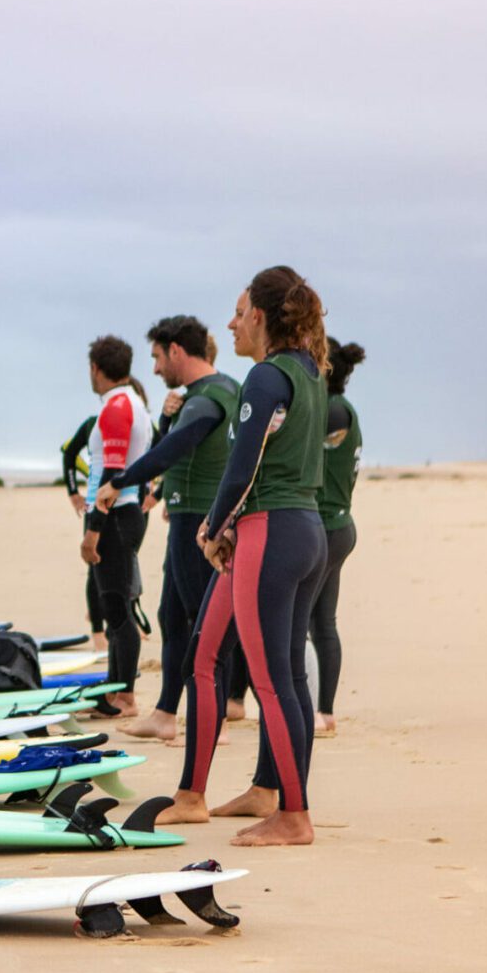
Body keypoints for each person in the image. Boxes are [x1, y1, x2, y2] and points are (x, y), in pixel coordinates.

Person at [164, 266, 330, 847]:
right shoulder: (311, 373)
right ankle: (199, 795)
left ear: (260, 315)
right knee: (207, 656)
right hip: (301, 530)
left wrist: (213, 526)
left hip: (270, 534)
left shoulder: (265, 376)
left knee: (271, 679)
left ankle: (294, 815)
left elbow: (243, 465)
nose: (231, 323)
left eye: (238, 312)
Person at [95, 316, 240, 741]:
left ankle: (214, 719)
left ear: (177, 350)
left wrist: (119, 481)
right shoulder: (222, 389)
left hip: (197, 518)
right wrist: (163, 419)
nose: (155, 369)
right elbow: (168, 444)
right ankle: (164, 713)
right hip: (189, 513)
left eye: (157, 357)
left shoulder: (204, 398)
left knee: (203, 618)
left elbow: (173, 450)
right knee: (171, 615)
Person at [79, 337, 152, 719]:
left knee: (117, 609)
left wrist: (93, 528)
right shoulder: (133, 402)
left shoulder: (118, 407)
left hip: (117, 516)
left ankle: (125, 696)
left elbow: (111, 473)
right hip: (123, 514)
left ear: (96, 368)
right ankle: (115, 688)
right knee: (114, 605)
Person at [311, 338, 367, 735]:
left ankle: (319, 711)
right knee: (320, 622)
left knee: (307, 625)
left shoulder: (332, 410)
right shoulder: (338, 409)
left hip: (327, 526)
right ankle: (324, 712)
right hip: (335, 525)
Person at [62, 416, 107, 651]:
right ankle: (98, 632)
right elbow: (69, 453)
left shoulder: (140, 421)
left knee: (125, 566)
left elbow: (160, 454)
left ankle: (115, 615)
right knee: (95, 566)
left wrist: (156, 493)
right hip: (94, 502)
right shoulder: (93, 424)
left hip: (131, 504)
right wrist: (73, 492)